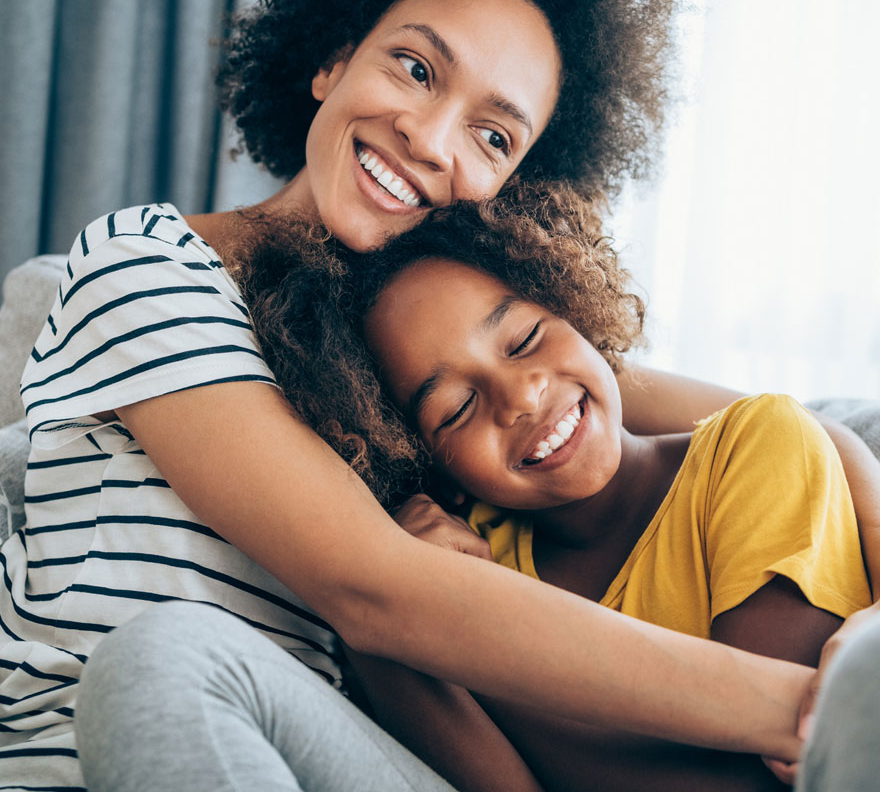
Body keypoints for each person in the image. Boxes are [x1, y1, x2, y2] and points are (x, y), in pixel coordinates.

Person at [1, 0, 877, 790]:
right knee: (168, 655)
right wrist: (822, 711)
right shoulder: (147, 265)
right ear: (333, 60)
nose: (427, 138)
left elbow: (807, 429)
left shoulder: (427, 350)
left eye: (492, 135)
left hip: (332, 755)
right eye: (416, 69)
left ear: (511, 187)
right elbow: (371, 588)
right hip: (87, 747)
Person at [294, 195, 870, 790]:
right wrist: (392, 617)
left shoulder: (760, 446)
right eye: (457, 408)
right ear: (426, 463)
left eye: (524, 340)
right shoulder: (463, 561)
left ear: (574, 306)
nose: (521, 398)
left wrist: (452, 647)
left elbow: (763, 772)